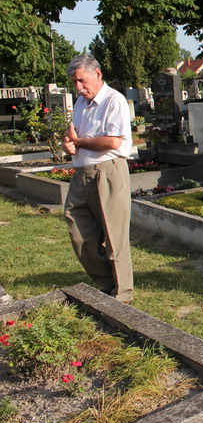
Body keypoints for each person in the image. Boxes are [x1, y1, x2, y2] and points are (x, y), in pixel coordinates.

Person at [62, 55, 133, 303]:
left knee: (114, 236)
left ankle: (122, 294)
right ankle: (106, 282)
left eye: (82, 80)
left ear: (98, 74)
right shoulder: (80, 103)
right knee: (78, 230)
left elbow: (113, 141)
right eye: (74, 82)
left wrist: (79, 142)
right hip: (82, 171)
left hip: (108, 171)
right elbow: (75, 136)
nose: (79, 87)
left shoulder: (114, 100)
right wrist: (70, 144)